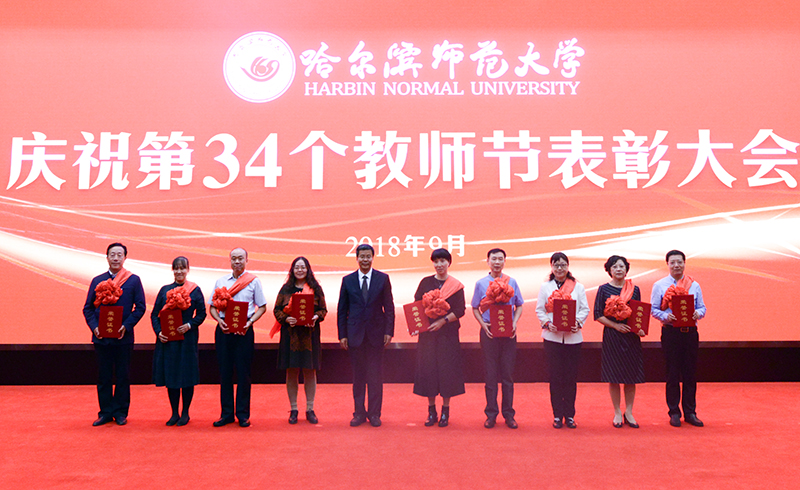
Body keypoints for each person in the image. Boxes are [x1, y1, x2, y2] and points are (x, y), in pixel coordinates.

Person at [82, 242, 146, 426]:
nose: (116, 258)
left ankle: (120, 412)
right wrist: (94, 327)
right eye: (112, 254)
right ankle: (105, 413)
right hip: (101, 337)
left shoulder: (133, 280)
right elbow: (87, 308)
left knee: (122, 375)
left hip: (123, 337)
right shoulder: (97, 280)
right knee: (104, 376)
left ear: (125, 257)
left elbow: (140, 307)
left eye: (119, 255)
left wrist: (127, 325)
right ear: (107, 257)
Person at [338, 243, 395, 427]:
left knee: (375, 376)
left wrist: (389, 331)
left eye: (368, 256)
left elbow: (389, 308)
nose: (365, 260)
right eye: (362, 256)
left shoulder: (382, 279)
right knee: (358, 376)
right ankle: (359, 413)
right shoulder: (348, 280)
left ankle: (375, 414)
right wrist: (342, 335)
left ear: (372, 258)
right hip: (354, 335)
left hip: (376, 334)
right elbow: (342, 310)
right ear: (357, 258)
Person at [209, 248, 267, 428]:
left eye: (240, 258)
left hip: (244, 331)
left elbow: (262, 307)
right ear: (230, 261)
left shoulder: (253, 281)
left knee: (243, 373)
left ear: (246, 260)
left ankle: (242, 414)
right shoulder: (221, 281)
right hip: (224, 330)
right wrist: (219, 321)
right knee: (225, 372)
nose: (237, 262)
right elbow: (212, 307)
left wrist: (250, 322)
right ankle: (226, 414)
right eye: (234, 258)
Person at [651, 250, 707, 428]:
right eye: (672, 262)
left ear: (684, 263)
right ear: (667, 264)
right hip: (671, 333)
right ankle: (674, 412)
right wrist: (665, 317)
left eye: (679, 262)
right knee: (672, 373)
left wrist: (697, 314)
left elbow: (702, 308)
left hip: (690, 333)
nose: (676, 265)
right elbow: (653, 309)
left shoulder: (694, 285)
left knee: (690, 373)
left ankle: (690, 412)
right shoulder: (659, 285)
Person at [412, 248, 466, 428]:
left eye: (443, 261)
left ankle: (445, 411)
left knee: (447, 371)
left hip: (447, 335)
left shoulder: (456, 285)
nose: (439, 264)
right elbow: (416, 305)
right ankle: (431, 411)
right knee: (428, 370)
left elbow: (460, 310)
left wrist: (443, 321)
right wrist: (417, 326)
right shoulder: (425, 282)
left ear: (449, 263)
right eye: (436, 261)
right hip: (428, 334)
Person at [471, 248, 523, 429]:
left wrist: (514, 323)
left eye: (500, 259)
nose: (497, 262)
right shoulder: (480, 284)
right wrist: (482, 325)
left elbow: (519, 305)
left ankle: (509, 415)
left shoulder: (512, 281)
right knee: (490, 374)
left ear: (504, 261)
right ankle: (491, 414)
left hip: (508, 333)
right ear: (488, 261)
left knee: (507, 375)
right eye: (494, 259)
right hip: (489, 333)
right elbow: (475, 307)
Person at [271, 257, 327, 425]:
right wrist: (286, 319)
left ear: (308, 269)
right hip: (291, 335)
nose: (300, 270)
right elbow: (277, 310)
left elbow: (323, 310)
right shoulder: (286, 289)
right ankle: (294, 409)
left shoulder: (315, 288)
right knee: (292, 371)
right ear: (292, 270)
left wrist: (315, 317)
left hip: (310, 335)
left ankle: (310, 409)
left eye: (303, 267)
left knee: (310, 370)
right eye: (297, 267)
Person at [151, 256, 206, 426]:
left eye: (183, 268)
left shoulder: (195, 290)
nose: (179, 271)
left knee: (187, 375)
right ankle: (174, 413)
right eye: (176, 268)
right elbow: (154, 315)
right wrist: (159, 332)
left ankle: (185, 412)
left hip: (187, 340)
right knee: (171, 374)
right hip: (168, 341)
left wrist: (189, 325)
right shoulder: (164, 290)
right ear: (172, 270)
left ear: (187, 270)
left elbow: (202, 314)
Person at [536, 252, 589, 429]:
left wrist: (578, 323)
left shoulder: (578, 287)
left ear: (568, 266)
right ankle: (558, 415)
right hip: (552, 338)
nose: (560, 268)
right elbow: (540, 310)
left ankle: (570, 415)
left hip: (573, 339)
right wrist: (547, 323)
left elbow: (584, 309)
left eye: (563, 265)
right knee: (555, 377)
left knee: (570, 378)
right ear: (551, 267)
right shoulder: (545, 287)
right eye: (556, 265)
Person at [593, 255, 645, 429]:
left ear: (626, 269)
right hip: (612, 336)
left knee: (631, 377)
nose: (618, 269)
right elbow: (598, 314)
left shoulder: (634, 289)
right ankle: (617, 411)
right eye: (614, 266)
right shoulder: (603, 289)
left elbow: (638, 313)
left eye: (621, 266)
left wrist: (640, 328)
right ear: (609, 270)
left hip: (631, 336)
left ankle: (629, 412)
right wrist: (615, 326)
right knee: (613, 376)